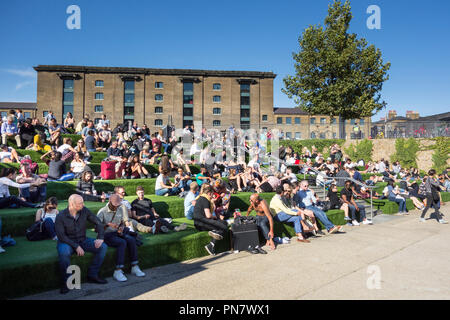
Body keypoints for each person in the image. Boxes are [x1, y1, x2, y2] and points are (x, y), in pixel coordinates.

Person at [56, 194, 108, 294]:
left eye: (83, 202)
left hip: (83, 240)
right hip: (66, 242)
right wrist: (76, 246)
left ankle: (92, 275)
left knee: (103, 246)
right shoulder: (61, 216)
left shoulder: (84, 210)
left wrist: (101, 237)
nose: (83, 205)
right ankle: (65, 282)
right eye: (80, 203)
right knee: (64, 253)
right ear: (71, 204)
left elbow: (98, 222)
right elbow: (61, 236)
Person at [97, 194, 146, 282]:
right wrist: (107, 225)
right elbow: (97, 228)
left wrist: (121, 227)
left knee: (131, 240)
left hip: (117, 233)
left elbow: (122, 222)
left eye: (118, 205)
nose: (116, 207)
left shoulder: (120, 209)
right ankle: (118, 271)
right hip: (106, 235)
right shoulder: (102, 211)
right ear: (110, 203)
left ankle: (134, 266)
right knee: (122, 242)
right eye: (115, 205)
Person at [193, 184, 229, 256]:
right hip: (202, 223)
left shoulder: (201, 198)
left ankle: (212, 240)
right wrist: (215, 218)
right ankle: (213, 236)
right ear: (209, 193)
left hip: (199, 222)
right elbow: (208, 215)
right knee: (224, 227)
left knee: (224, 222)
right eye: (212, 194)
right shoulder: (205, 199)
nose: (213, 196)